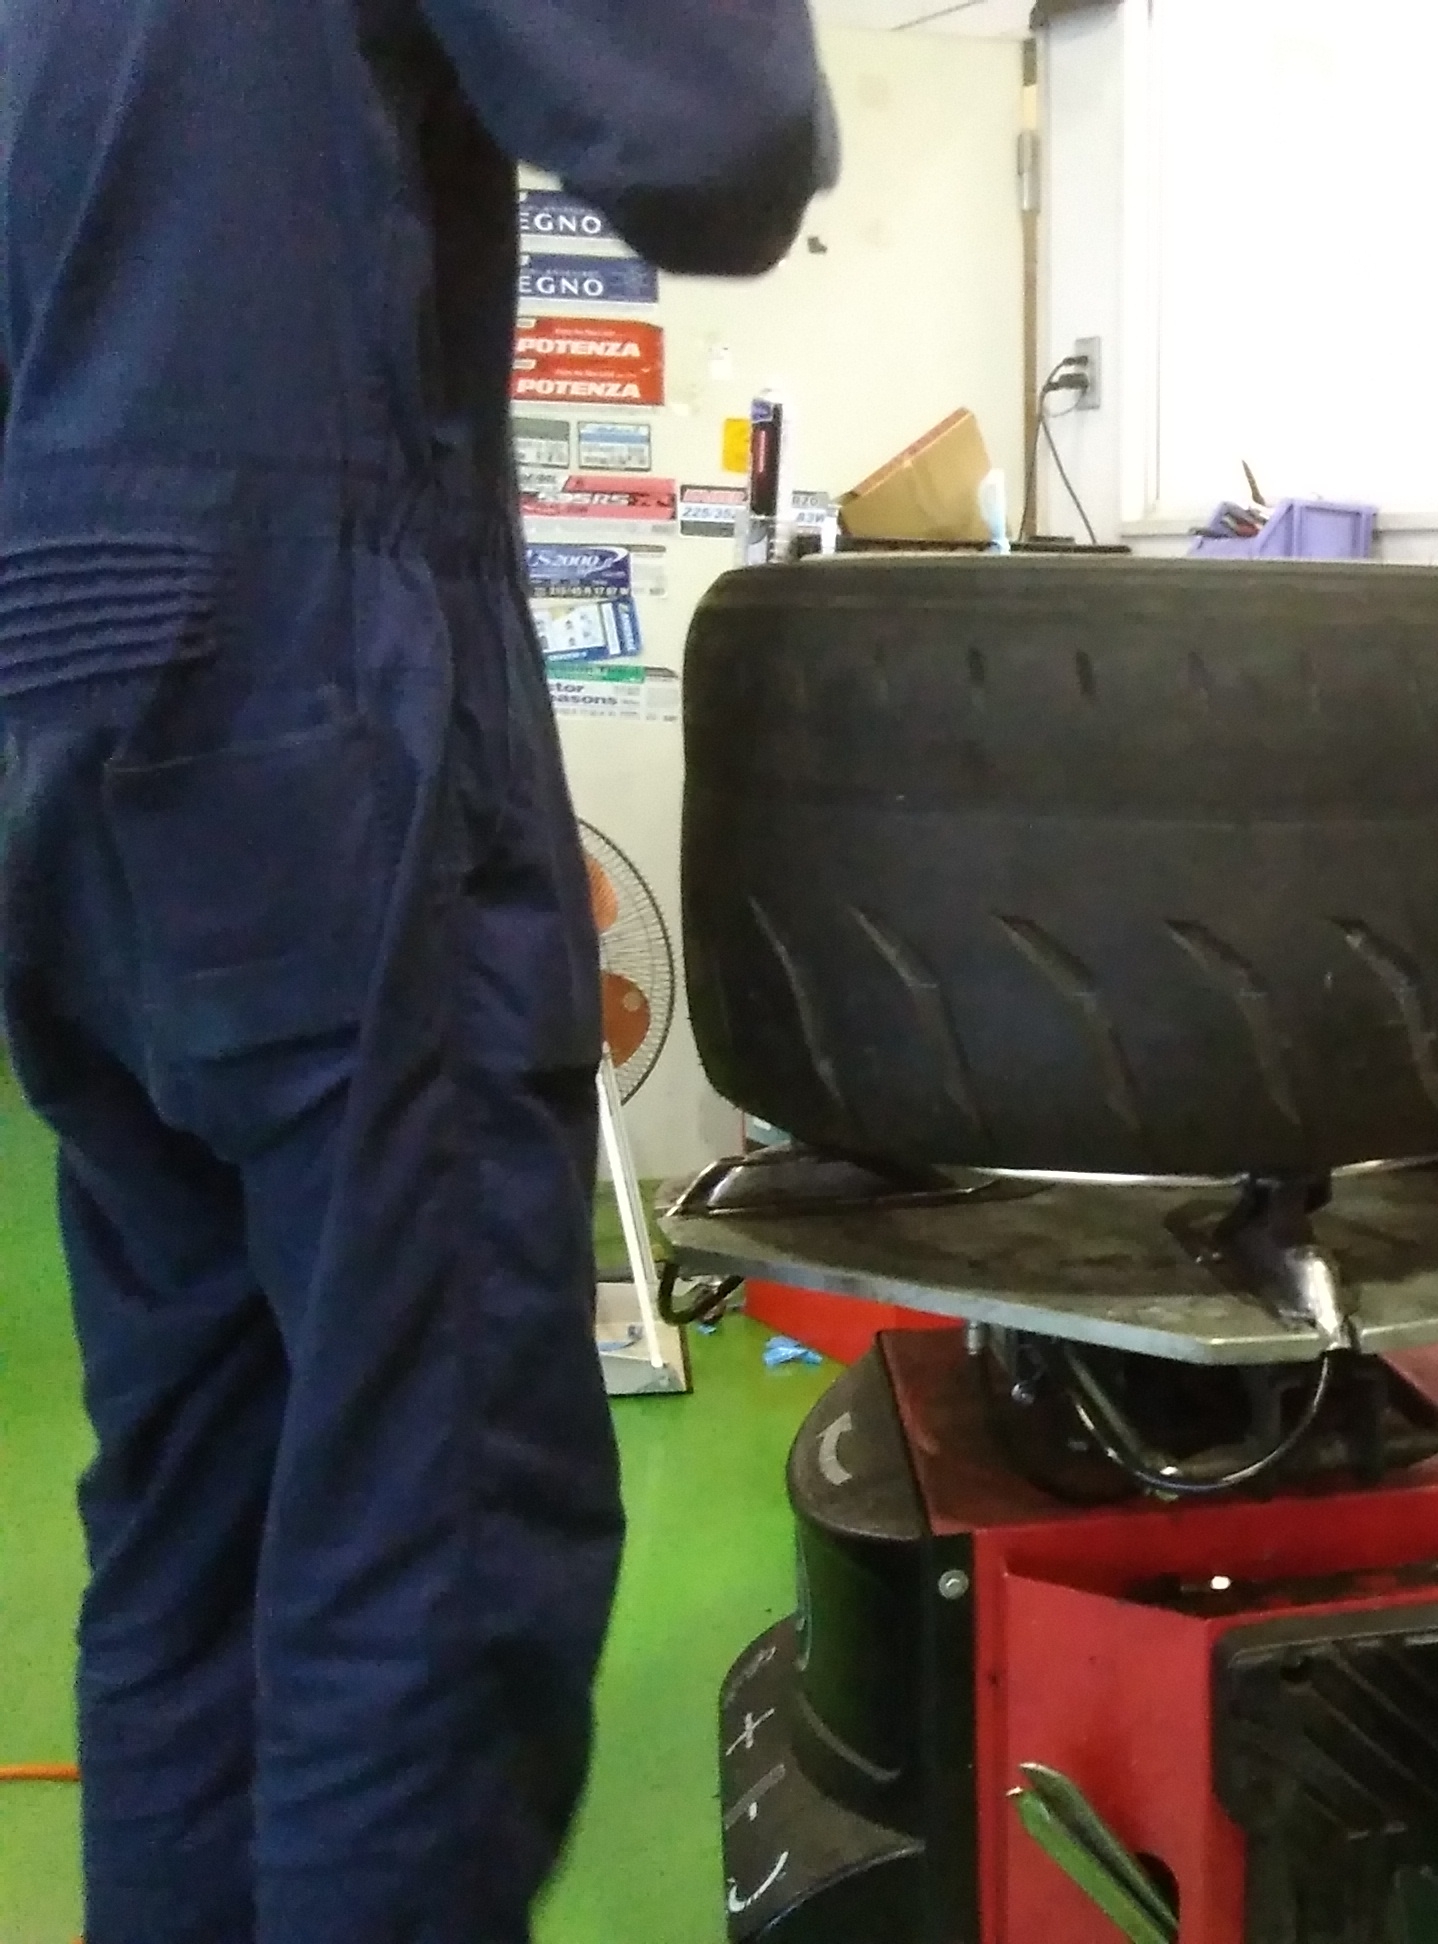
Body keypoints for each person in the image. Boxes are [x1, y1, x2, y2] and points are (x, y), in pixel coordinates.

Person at [0, 4, 835, 1938]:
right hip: (307, 699)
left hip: (58, 694)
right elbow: (719, 136)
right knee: (427, 1545)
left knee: (195, 1538)